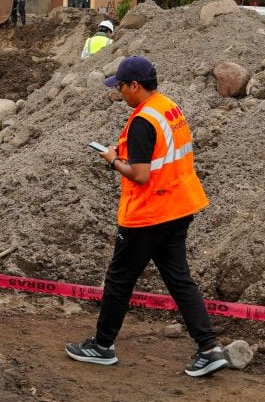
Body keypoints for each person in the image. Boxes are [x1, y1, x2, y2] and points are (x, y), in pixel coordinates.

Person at [67, 56, 230, 378]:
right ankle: (209, 348)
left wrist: (113, 160)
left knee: (119, 278)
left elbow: (140, 175)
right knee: (179, 279)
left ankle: (102, 346)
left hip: (149, 213)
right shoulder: (168, 107)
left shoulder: (143, 121)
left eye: (121, 87)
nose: (119, 94)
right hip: (179, 206)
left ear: (134, 86)